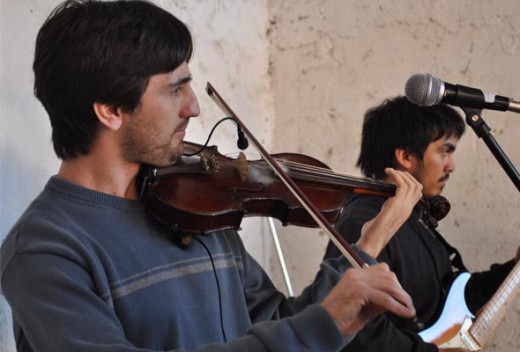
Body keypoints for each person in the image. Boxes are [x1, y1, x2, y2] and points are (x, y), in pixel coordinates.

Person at [0, 1, 424, 351]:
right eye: (174, 88)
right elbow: (298, 335)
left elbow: (281, 324)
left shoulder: (195, 207)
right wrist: (321, 325)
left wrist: (365, 245)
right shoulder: (45, 252)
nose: (194, 107)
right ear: (110, 110)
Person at [323, 96, 519, 352]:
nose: (452, 166)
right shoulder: (363, 223)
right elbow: (355, 329)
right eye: (444, 150)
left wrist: (513, 269)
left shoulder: (415, 216)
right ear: (406, 156)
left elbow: (450, 300)